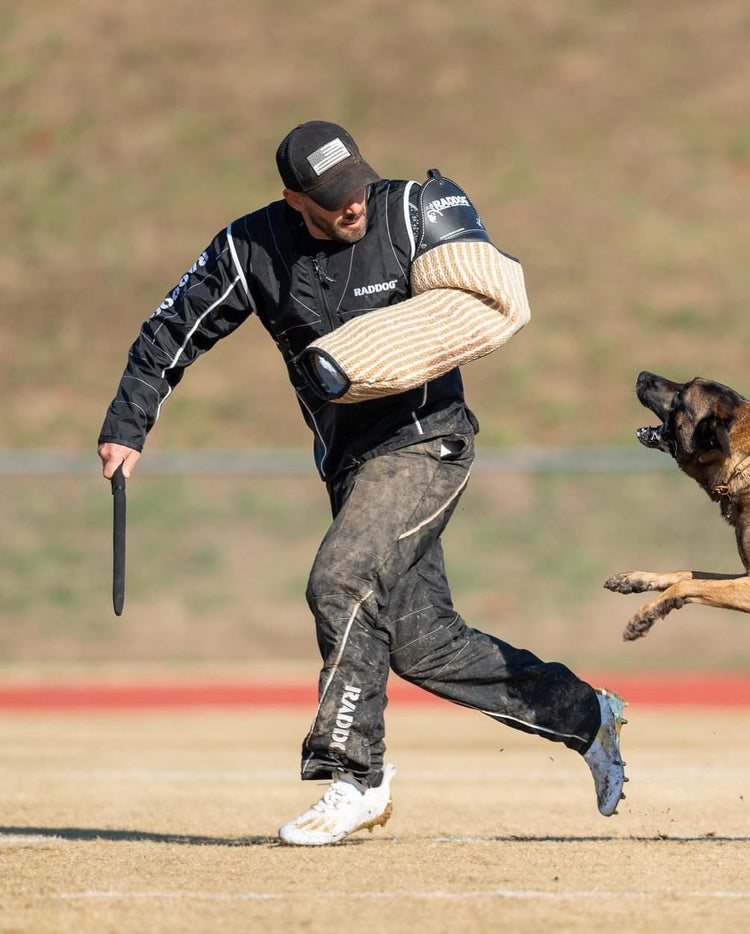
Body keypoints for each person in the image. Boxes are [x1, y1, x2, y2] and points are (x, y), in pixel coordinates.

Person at [96, 120, 627, 846]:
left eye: (356, 187)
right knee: (424, 645)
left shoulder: (412, 209)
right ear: (294, 200)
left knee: (340, 581)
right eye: (333, 199)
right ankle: (586, 715)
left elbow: (482, 288)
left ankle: (355, 777)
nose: (353, 206)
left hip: (428, 442)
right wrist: (128, 425)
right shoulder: (249, 248)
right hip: (351, 467)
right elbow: (168, 331)